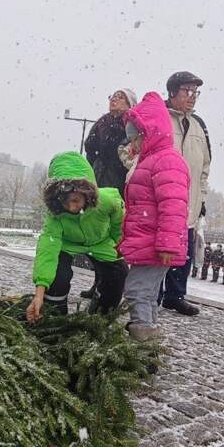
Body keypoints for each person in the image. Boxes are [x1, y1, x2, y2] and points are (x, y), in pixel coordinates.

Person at [120, 92, 190, 340]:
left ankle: (142, 339)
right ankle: (148, 335)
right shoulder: (149, 160)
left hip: (155, 244)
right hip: (147, 242)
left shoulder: (166, 161)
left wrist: (167, 243)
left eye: (135, 137)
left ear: (149, 132)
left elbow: (174, 207)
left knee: (137, 291)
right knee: (146, 293)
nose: (132, 144)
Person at [26, 152, 127, 322]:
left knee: (118, 273)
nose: (71, 208)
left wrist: (118, 242)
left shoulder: (107, 201)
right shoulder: (55, 215)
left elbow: (119, 218)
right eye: (65, 202)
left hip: (100, 242)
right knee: (58, 276)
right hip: (68, 244)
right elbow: (47, 252)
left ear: (87, 193)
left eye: (75, 200)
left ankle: (99, 317)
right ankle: (55, 315)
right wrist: (39, 295)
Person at [159, 71, 212, 316]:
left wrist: (201, 198)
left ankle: (175, 294)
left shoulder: (199, 126)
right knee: (159, 249)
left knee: (184, 252)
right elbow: (132, 152)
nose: (192, 97)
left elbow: (205, 167)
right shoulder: (159, 118)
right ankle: (152, 293)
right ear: (172, 92)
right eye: (187, 91)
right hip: (161, 197)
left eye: (195, 93)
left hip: (189, 201)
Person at [81, 88, 137, 300]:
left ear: (130, 104)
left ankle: (113, 284)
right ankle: (98, 282)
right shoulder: (101, 122)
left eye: (120, 97)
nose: (114, 99)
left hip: (119, 183)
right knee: (96, 234)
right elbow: (90, 150)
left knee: (114, 237)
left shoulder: (130, 124)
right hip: (98, 178)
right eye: (112, 96)